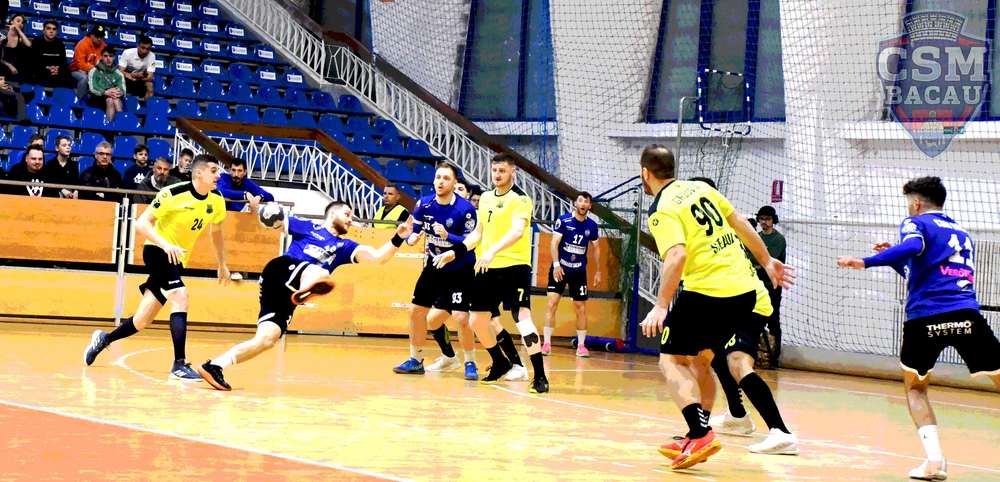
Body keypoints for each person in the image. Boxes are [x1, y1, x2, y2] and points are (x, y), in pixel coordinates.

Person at [636, 144, 791, 470]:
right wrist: (766, 261)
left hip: (708, 292)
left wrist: (661, 306)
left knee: (670, 360)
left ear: (645, 173)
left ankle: (700, 432)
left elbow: (676, 255)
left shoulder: (661, 209)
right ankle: (708, 426)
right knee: (703, 359)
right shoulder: (700, 189)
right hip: (744, 293)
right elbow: (739, 221)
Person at [837, 176, 1000, 480]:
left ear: (915, 202)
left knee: (915, 388)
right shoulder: (962, 233)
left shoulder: (915, 223)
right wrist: (895, 258)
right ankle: (933, 464)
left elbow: (913, 245)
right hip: (965, 314)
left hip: (925, 318)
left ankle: (935, 463)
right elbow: (925, 272)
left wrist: (866, 261)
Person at [196, 201, 412, 391]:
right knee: (322, 273)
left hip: (287, 294)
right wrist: (265, 212)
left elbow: (378, 257)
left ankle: (214, 366)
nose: (350, 220)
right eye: (347, 214)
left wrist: (398, 237)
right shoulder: (309, 227)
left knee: (267, 339)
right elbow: (276, 221)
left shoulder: (345, 247)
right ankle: (307, 290)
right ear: (332, 213)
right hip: (280, 270)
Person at [84, 154, 230, 381]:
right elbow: (141, 223)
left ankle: (104, 339)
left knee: (142, 320)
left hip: (177, 260)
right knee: (180, 295)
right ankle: (179, 364)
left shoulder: (217, 200)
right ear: (199, 173)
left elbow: (217, 233)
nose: (219, 175)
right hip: (157, 250)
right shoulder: (173, 193)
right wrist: (165, 244)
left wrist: (222, 263)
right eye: (214, 171)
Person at [443, 153, 548, 393]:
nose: (497, 175)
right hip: (487, 267)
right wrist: (456, 251)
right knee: (476, 320)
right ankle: (500, 362)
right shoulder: (487, 198)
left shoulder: (521, 199)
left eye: (502, 170)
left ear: (512, 172)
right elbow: (478, 233)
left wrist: (492, 251)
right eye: (494, 170)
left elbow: (518, 231)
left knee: (522, 318)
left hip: (515, 266)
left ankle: (540, 376)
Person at [393, 162, 479, 380]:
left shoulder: (465, 210)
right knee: (416, 311)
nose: (440, 182)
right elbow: (416, 230)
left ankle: (470, 362)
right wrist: (411, 238)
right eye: (438, 177)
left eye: (446, 178)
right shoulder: (424, 204)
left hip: (460, 268)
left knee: (461, 317)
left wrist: (448, 236)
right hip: (435, 265)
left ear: (454, 182)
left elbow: (470, 242)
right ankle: (416, 359)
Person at [541, 192, 601, 357]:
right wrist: (556, 265)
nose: (583, 204)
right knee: (552, 303)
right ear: (575, 203)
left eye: (586, 202)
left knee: (581, 307)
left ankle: (581, 346)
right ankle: (546, 344)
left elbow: (596, 248)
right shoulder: (564, 220)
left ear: (589, 206)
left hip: (579, 271)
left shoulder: (592, 226)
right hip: (560, 269)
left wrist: (598, 271)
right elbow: (554, 243)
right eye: (580, 201)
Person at [754, 205, 786, 362]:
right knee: (755, 321)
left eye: (767, 219)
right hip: (756, 286)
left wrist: (759, 263)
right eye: (761, 219)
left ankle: (773, 357)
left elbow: (768, 261)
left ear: (773, 220)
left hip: (772, 286)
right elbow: (750, 257)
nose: (764, 222)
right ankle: (757, 355)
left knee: (773, 320)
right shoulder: (756, 237)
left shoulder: (778, 239)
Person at [29, 20, 72, 87]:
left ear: (56, 32)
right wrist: (48, 68)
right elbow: (34, 61)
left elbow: (63, 62)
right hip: (41, 70)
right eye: (48, 28)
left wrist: (57, 68)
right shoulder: (36, 42)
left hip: (55, 71)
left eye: (54, 29)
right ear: (43, 31)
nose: (51, 31)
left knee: (67, 73)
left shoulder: (60, 44)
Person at [87, 49, 125, 122]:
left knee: (113, 100)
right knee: (111, 100)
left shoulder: (119, 73)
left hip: (113, 97)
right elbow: (92, 88)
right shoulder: (94, 71)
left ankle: (116, 125)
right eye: (105, 56)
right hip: (97, 98)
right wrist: (105, 92)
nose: (108, 59)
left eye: (111, 56)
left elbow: (123, 89)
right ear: (101, 57)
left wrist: (116, 92)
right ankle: (121, 124)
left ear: (114, 57)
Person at [70, 26, 106, 99]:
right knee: (84, 78)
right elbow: (80, 65)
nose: (99, 39)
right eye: (97, 36)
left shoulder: (103, 46)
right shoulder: (82, 44)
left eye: (101, 36)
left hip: (93, 71)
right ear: (91, 35)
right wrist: (95, 70)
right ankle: (79, 100)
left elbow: (106, 63)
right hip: (76, 70)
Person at [118, 35, 155, 100]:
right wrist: (130, 75)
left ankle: (145, 105)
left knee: (150, 87)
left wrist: (138, 77)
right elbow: (120, 71)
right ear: (138, 46)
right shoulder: (127, 53)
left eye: (148, 49)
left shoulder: (152, 56)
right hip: (127, 77)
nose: (145, 51)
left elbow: (150, 76)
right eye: (142, 48)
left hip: (141, 78)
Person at [43, 135, 79, 199]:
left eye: (69, 145)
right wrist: (62, 190)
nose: (68, 147)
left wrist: (76, 191)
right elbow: (50, 183)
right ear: (57, 148)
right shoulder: (50, 165)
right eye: (64, 145)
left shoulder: (73, 165)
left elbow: (76, 182)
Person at [3, 14, 32, 82]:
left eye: (22, 23)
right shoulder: (3, 33)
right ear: (11, 22)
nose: (20, 24)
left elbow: (29, 45)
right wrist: (9, 65)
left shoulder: (20, 38)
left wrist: (19, 30)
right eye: (18, 21)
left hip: (15, 70)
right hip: (3, 66)